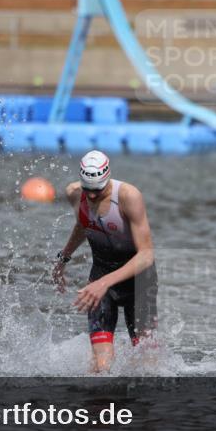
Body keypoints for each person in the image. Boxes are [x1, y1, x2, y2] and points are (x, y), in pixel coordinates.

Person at [53, 150, 158, 372]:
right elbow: (84, 225)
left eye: (97, 190)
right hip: (101, 275)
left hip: (138, 281)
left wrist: (104, 283)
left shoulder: (129, 196)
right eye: (87, 189)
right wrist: (64, 258)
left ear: (107, 178)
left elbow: (147, 254)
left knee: (148, 366)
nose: (91, 196)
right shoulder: (74, 193)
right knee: (100, 367)